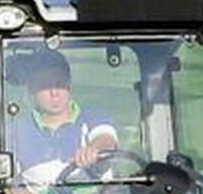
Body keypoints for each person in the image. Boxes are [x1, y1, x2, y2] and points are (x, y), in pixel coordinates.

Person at [7, 50, 120, 186]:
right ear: (32, 89)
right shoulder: (15, 131)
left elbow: (106, 138)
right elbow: (7, 182)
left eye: (59, 84)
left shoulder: (94, 118)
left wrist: (94, 149)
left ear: (69, 85)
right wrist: (18, 193)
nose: (54, 93)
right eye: (45, 85)